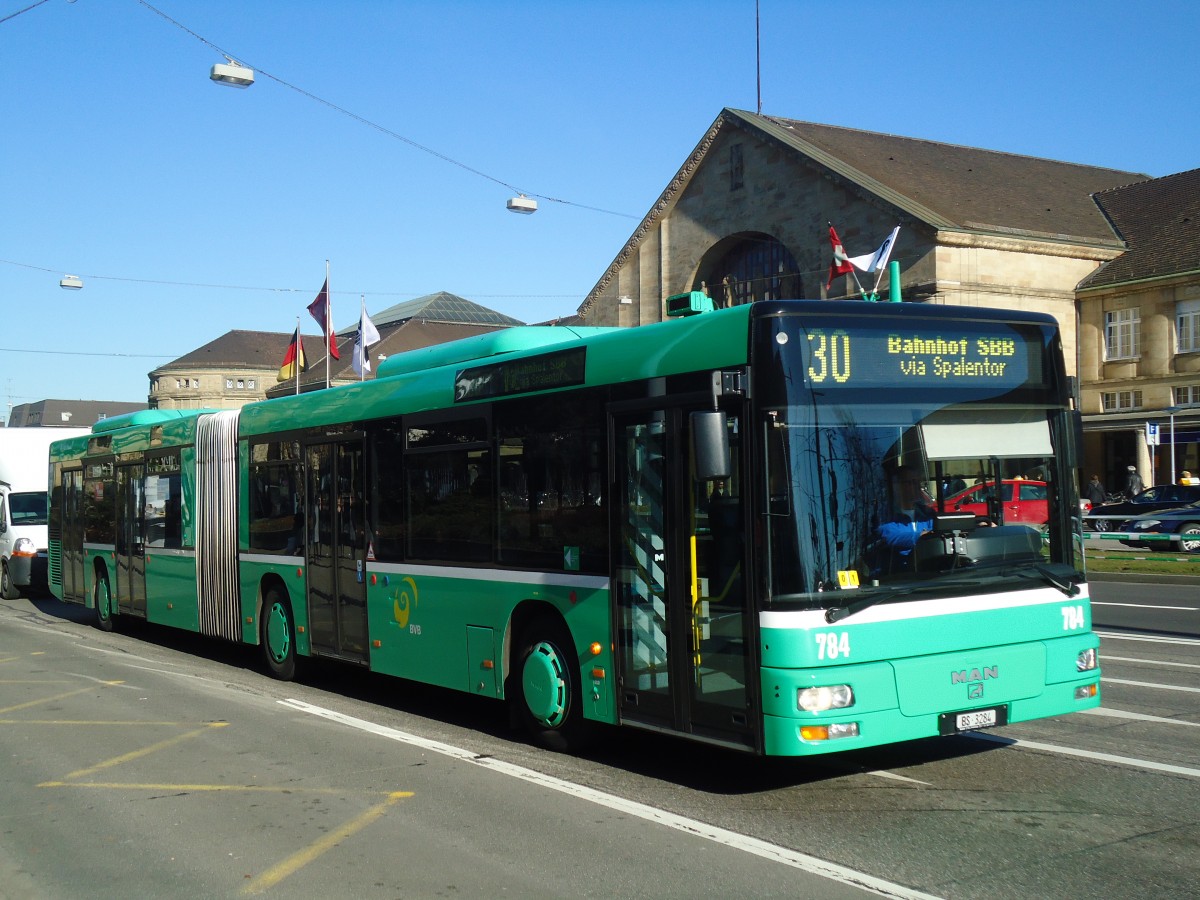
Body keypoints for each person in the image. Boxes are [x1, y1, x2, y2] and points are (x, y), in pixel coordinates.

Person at [877, 465, 935, 559]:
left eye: (918, 482)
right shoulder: (886, 514)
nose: (917, 487)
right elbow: (889, 537)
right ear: (897, 486)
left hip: (926, 568)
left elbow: (935, 533)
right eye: (911, 482)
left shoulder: (927, 513)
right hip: (898, 571)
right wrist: (919, 536)